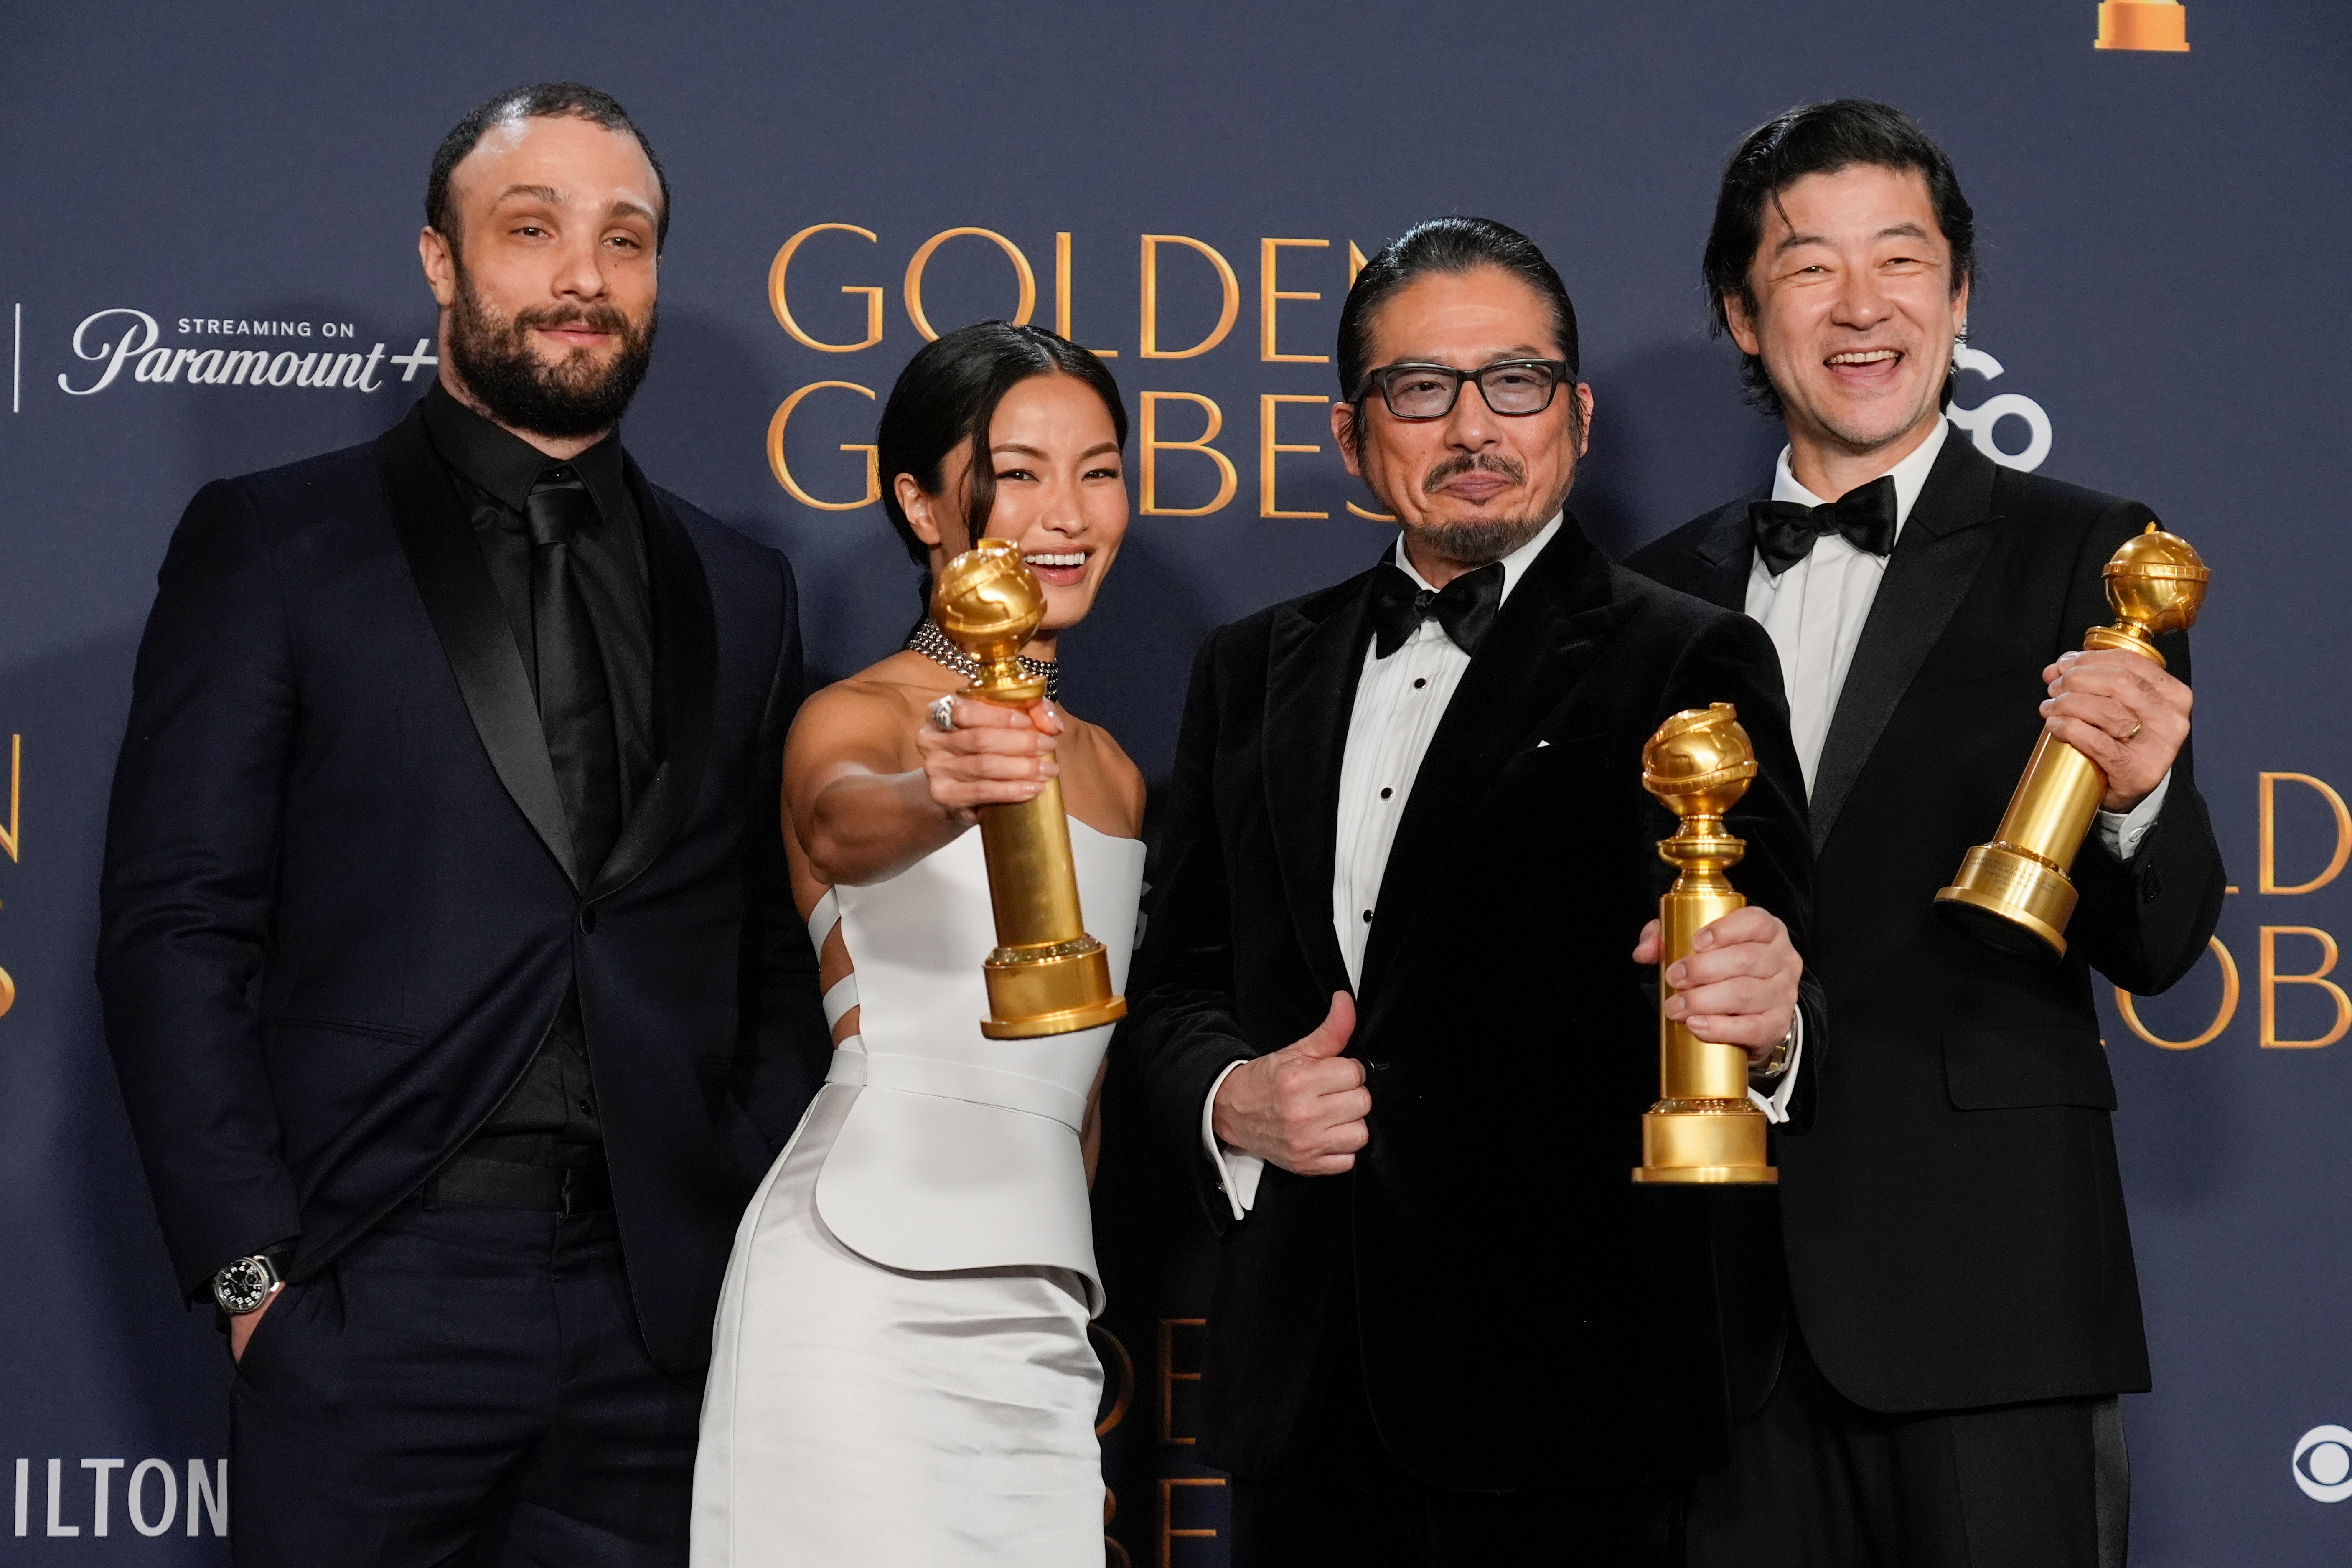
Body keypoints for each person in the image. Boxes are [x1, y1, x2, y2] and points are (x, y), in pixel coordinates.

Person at [97, 83, 826, 1566]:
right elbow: (177, 924)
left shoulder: (742, 589)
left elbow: (763, 944)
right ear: (441, 262)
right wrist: (256, 1276)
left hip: (654, 1324)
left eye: (626, 240)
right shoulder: (277, 543)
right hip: (373, 1291)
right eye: (533, 229)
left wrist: (726, 1226)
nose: (582, 278)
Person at [1117, 216, 1825, 1566]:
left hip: (1571, 1398)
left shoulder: (1691, 656)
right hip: (1306, 1389)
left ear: (1578, 415)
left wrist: (1776, 1019)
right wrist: (1231, 1094)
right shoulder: (1249, 666)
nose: (1473, 425)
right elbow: (1177, 989)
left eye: (1516, 381)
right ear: (1348, 435)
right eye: (1420, 388)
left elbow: (1780, 961)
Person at [1627, 100, 2225, 1568]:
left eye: (1902, 261)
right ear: (1739, 312)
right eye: (1808, 267)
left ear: (1959, 299)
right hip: (1719, 1316)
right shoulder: (1648, 595)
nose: (1861, 307)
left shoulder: (2095, 552)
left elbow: (2155, 943)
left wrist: (2143, 798)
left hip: (1992, 1307)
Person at [691, 320, 1147, 1567]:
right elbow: (838, 825)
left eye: (1100, 469)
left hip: (1044, 1314)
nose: (1067, 512)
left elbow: (1083, 1090)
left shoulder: (1110, 769)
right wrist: (945, 783)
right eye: (1019, 470)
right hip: (853, 1302)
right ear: (921, 503)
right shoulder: (861, 718)